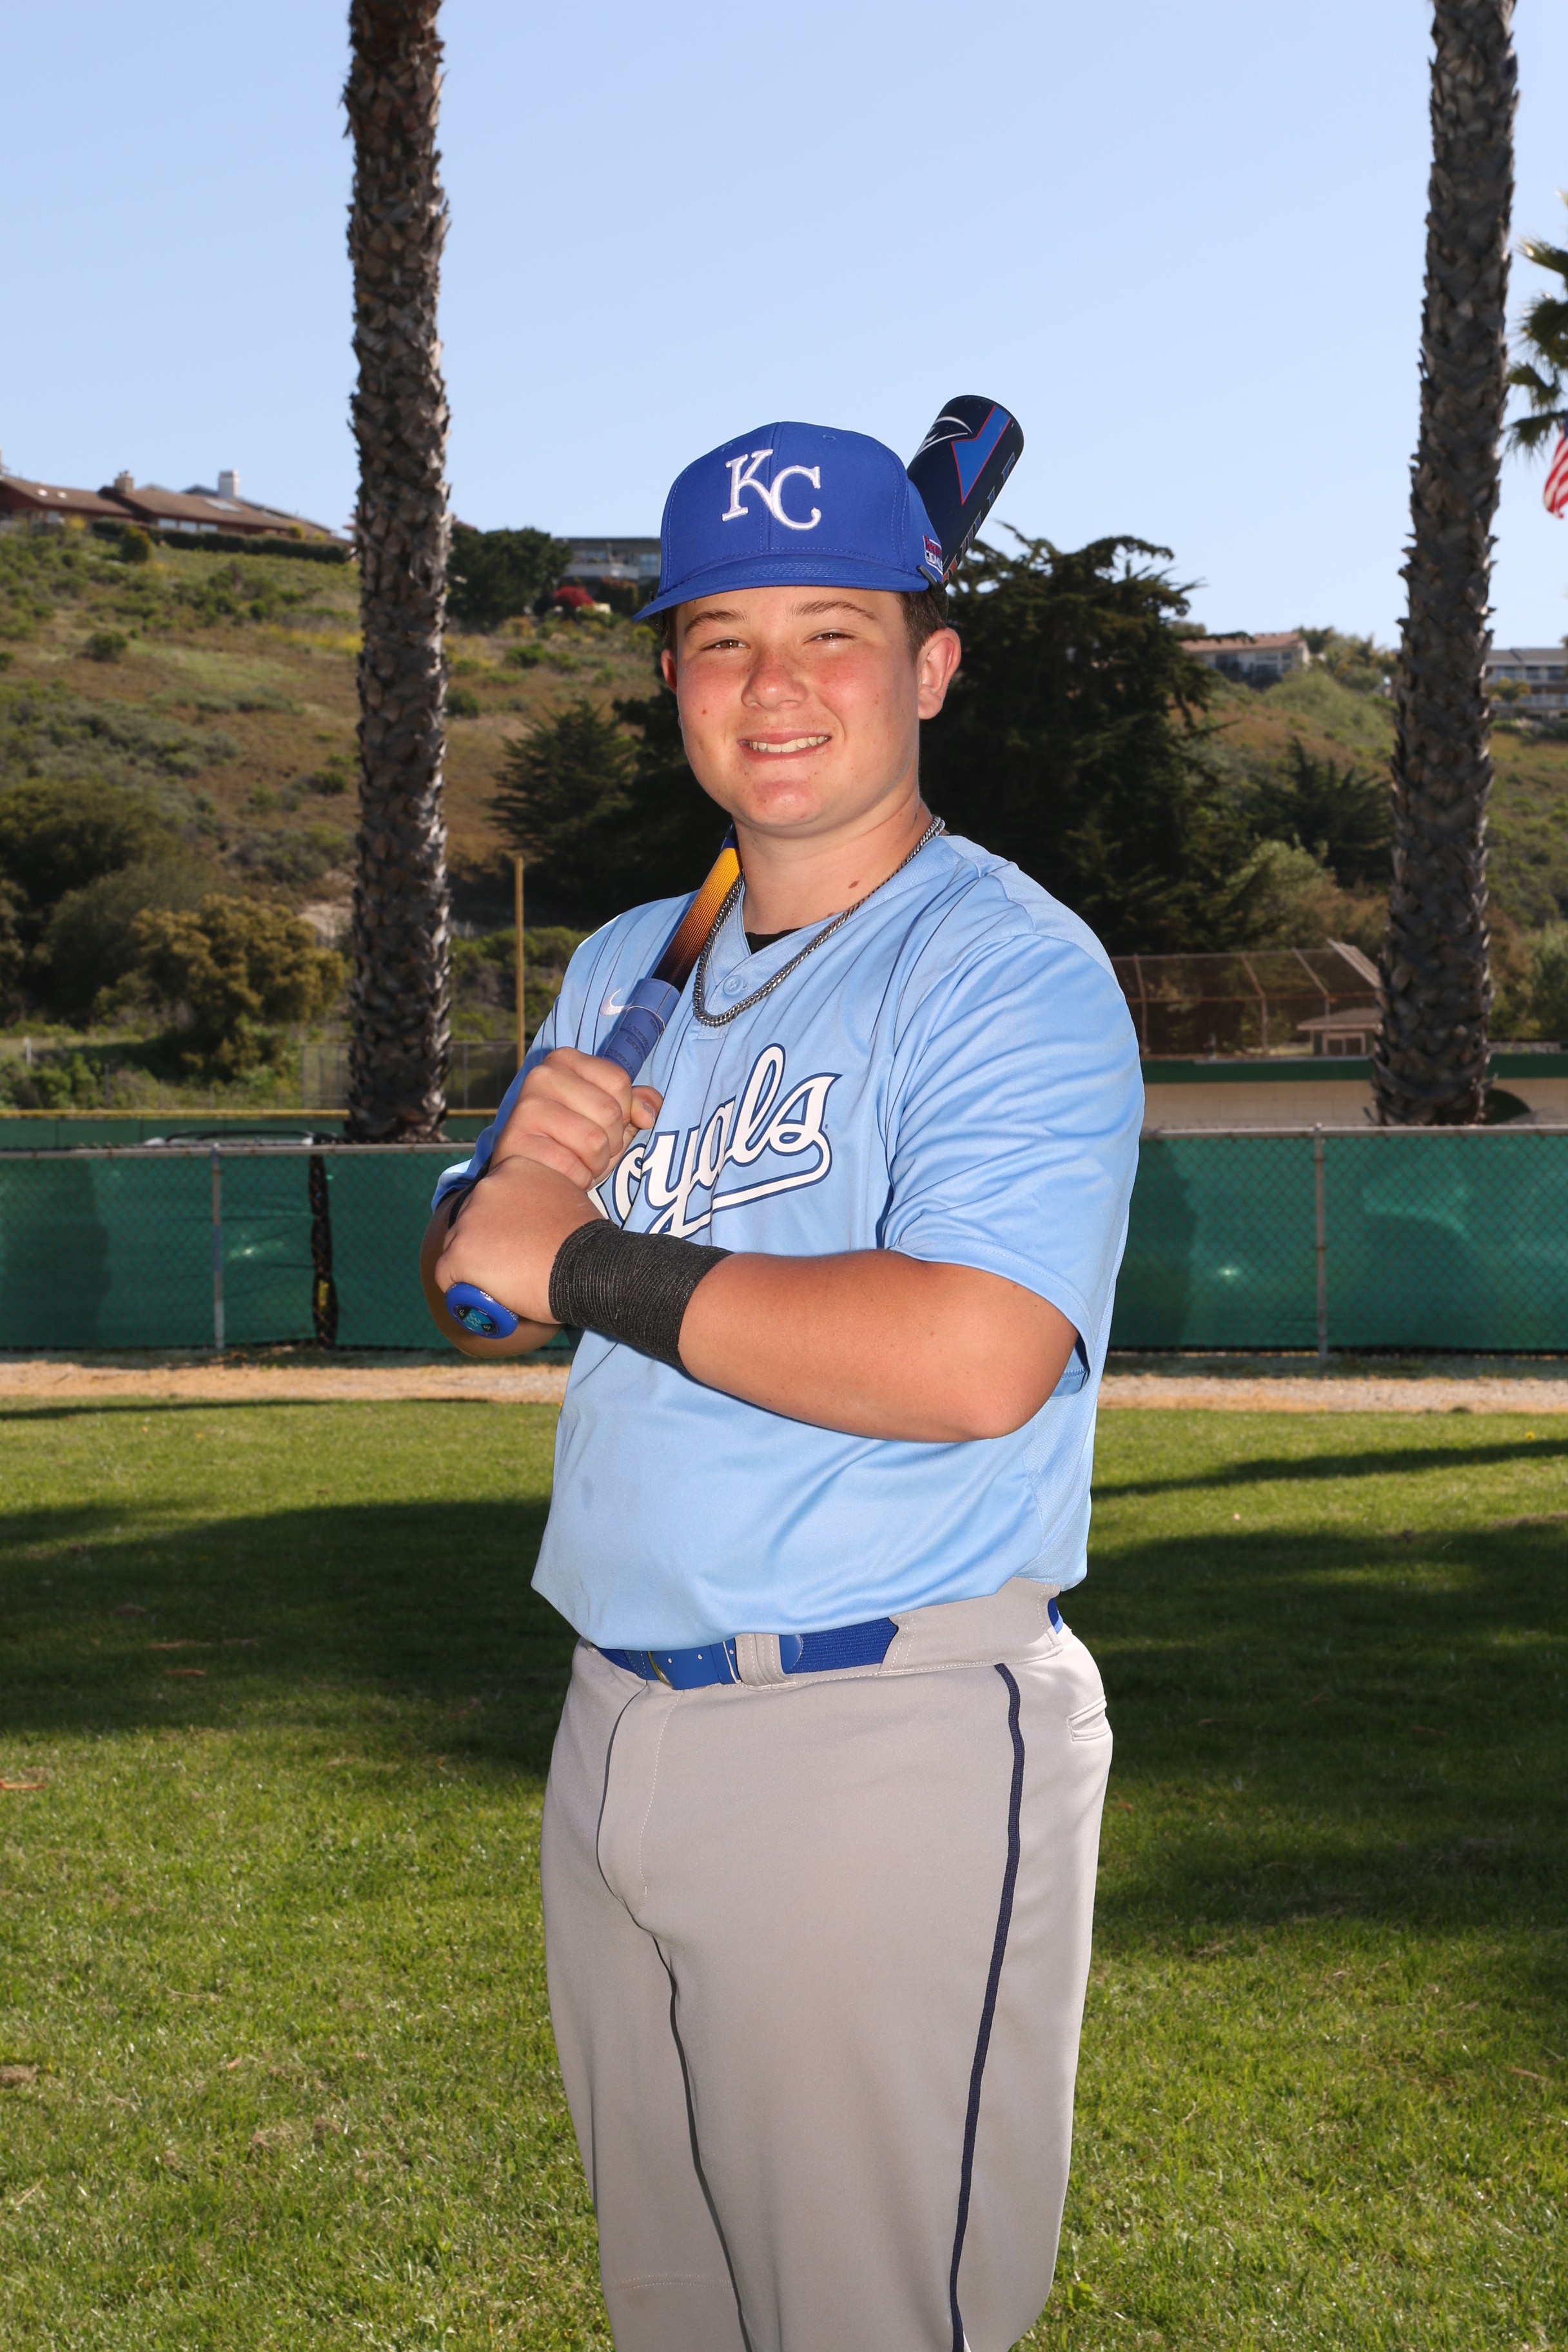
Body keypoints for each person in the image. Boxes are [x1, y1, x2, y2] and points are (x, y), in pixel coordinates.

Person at [419, 420, 1142, 2352]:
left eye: (835, 630)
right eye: (723, 638)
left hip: (879, 1733)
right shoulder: (618, 968)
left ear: (931, 666)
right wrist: (497, 1199)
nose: (776, 686)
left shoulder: (1004, 969)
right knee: (677, 2315)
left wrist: (574, 1255)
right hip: (613, 1717)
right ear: (673, 680)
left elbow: (975, 1357)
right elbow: (478, 1296)